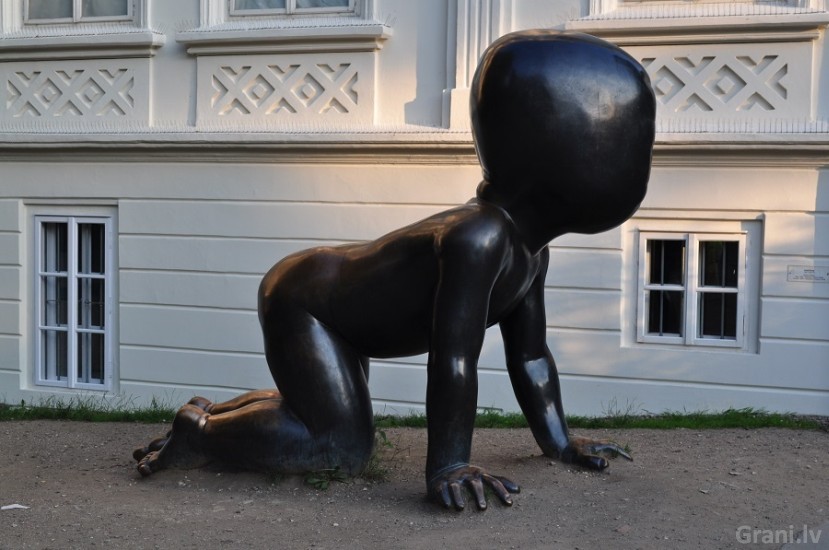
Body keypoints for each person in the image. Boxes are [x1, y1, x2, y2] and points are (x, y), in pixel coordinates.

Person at [134, 30, 656, 511]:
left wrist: (560, 443)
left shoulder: (529, 252)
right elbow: (454, 360)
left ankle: (212, 417)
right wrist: (449, 466)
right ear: (557, 150)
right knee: (340, 446)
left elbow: (531, 356)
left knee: (325, 415)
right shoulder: (480, 238)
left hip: (336, 307)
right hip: (307, 303)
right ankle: (200, 433)